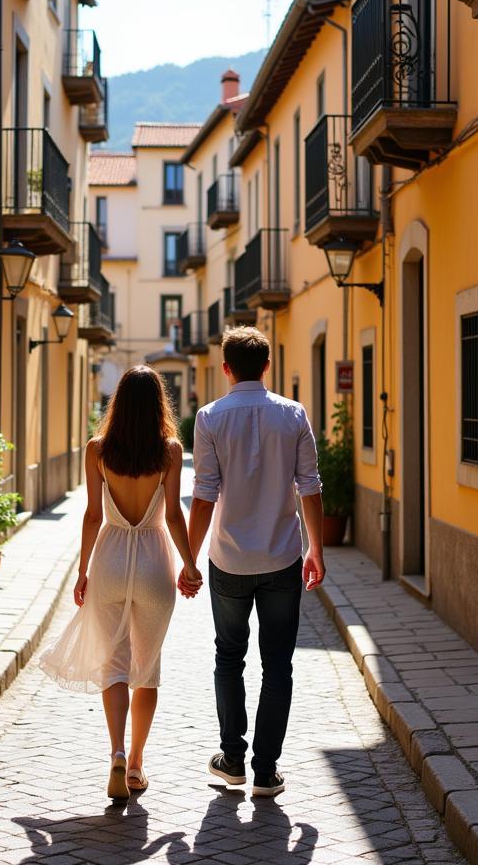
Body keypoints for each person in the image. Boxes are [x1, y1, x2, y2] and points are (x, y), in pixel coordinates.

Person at [39, 365, 203, 800]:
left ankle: (113, 750)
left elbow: (93, 514)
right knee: (146, 670)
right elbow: (172, 515)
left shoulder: (97, 450)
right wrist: (189, 566)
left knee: (115, 662)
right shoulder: (169, 451)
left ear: (118, 403)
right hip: (153, 562)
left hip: (110, 559)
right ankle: (135, 765)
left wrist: (82, 571)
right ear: (157, 405)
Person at [183, 326, 325, 797]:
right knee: (278, 664)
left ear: (226, 368)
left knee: (229, 656)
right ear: (267, 365)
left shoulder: (208, 417)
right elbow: (311, 485)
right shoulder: (293, 413)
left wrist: (189, 558)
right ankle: (266, 771)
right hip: (283, 555)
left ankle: (233, 760)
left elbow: (203, 494)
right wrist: (316, 549)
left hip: (228, 558)